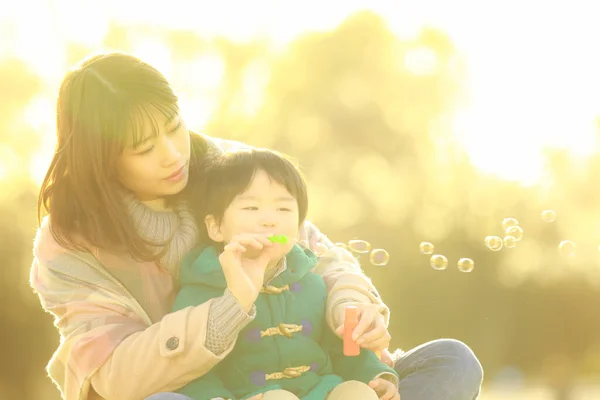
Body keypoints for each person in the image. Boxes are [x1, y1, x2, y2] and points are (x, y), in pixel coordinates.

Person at [30, 51, 483, 400]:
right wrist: (230, 307)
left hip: (308, 380)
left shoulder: (228, 171)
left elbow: (319, 256)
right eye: (145, 148)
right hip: (203, 391)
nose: (172, 154)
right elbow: (115, 374)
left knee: (452, 361)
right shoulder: (70, 242)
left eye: (174, 127)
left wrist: (353, 308)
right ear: (100, 157)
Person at [171, 147, 399, 400]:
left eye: (284, 210)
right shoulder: (200, 291)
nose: (270, 220)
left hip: (318, 391)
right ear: (215, 227)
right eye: (251, 208)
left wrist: (375, 376)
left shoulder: (311, 282)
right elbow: (192, 368)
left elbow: (342, 349)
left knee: (358, 392)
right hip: (247, 395)